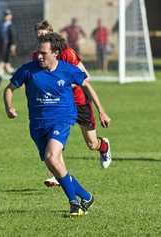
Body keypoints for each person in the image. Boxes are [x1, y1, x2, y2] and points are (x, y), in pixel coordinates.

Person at [3, 33, 106, 217]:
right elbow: (9, 88)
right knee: (56, 165)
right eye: (38, 52)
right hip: (37, 124)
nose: (39, 56)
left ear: (55, 53)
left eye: (44, 53)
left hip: (62, 118)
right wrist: (9, 107)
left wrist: (101, 110)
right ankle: (86, 196)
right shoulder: (28, 70)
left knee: (52, 157)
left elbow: (87, 85)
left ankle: (74, 204)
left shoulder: (68, 70)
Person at [34, 20, 111, 187]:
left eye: (44, 36)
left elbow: (86, 77)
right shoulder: (39, 56)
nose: (41, 40)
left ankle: (103, 145)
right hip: (58, 105)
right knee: (52, 139)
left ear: (51, 34)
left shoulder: (67, 53)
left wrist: (101, 111)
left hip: (79, 101)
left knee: (91, 144)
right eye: (39, 37)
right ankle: (56, 174)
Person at [0, 9, 16, 92]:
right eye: (5, 15)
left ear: (11, 16)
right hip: (1, 49)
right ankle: (21, 80)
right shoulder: (1, 25)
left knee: (3, 66)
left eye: (8, 15)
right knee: (7, 68)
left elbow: (13, 38)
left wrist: (13, 46)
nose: (6, 17)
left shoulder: (11, 26)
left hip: (7, 50)